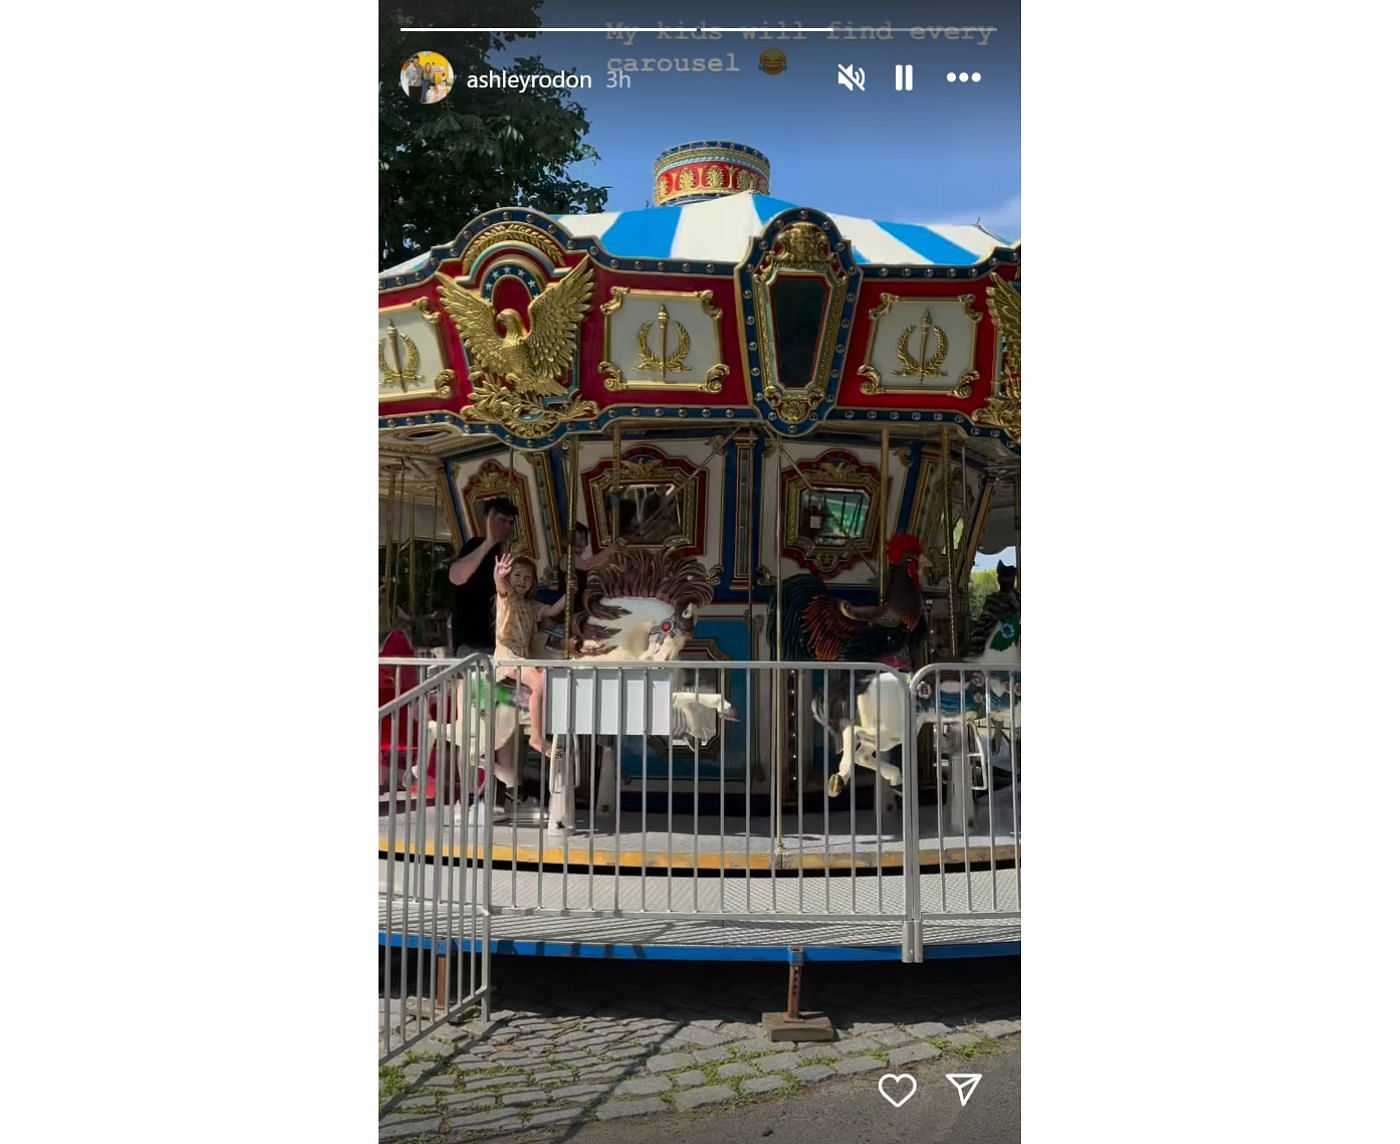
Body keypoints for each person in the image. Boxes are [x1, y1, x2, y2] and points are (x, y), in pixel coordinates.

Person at [492, 553, 569, 755]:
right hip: (508, 657)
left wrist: (570, 591)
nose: (522, 581)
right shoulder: (507, 598)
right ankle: (536, 737)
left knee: (547, 676)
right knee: (538, 682)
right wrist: (498, 574)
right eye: (517, 576)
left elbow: (552, 611)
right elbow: (500, 586)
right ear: (509, 578)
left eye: (527, 578)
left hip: (523, 657)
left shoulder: (530, 605)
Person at [449, 497, 516, 657]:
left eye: (511, 522)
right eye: (502, 520)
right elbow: (456, 577)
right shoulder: (475, 546)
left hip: (499, 642)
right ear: (488, 521)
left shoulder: (506, 553)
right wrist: (488, 543)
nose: (507, 526)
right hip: (475, 643)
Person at [968, 560, 1019, 655]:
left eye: (1008, 579)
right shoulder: (993, 600)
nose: (1006, 582)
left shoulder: (1015, 599)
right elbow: (983, 626)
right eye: (1005, 579)